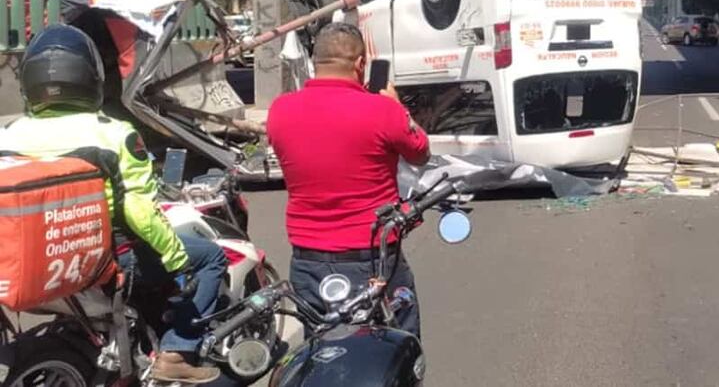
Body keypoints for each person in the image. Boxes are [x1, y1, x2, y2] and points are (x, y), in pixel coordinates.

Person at [0, 25, 225, 383]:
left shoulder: (8, 135)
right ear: (92, 78)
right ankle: (177, 352)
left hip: (36, 260)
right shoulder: (115, 134)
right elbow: (139, 211)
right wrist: (177, 259)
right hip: (105, 260)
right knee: (210, 257)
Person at [267, 22, 431, 337]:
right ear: (360, 65)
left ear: (316, 64)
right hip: (372, 259)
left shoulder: (280, 110)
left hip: (307, 260)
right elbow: (420, 151)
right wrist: (396, 106)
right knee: (399, 347)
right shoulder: (383, 111)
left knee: (319, 349)